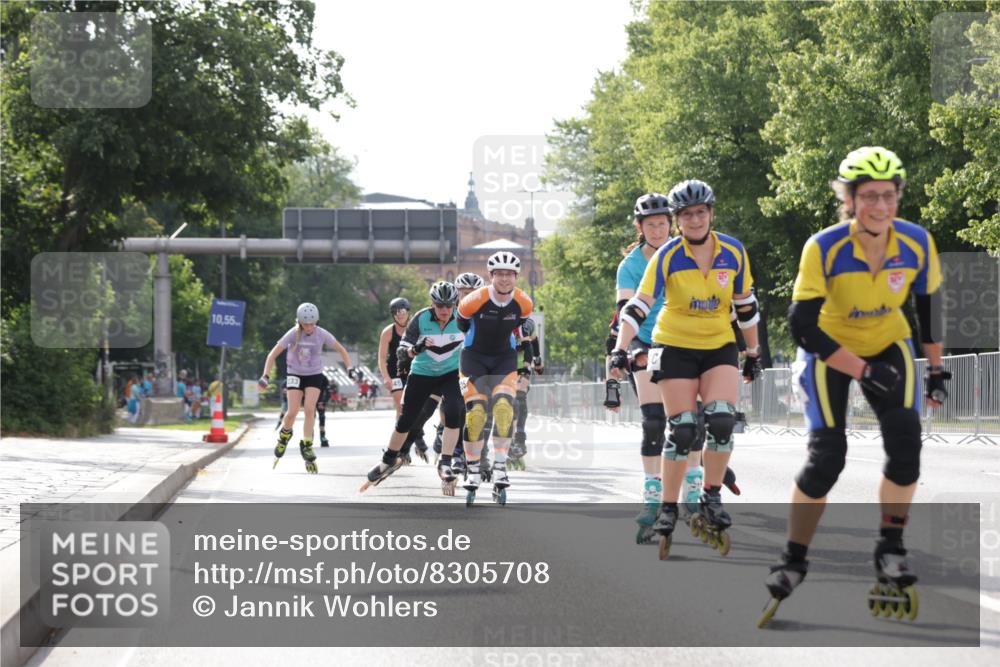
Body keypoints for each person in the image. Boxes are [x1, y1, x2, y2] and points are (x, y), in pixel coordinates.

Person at [759, 147, 947, 626]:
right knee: (828, 457)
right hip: (829, 349)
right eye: (868, 197)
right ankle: (794, 558)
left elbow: (929, 310)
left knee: (906, 444)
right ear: (848, 199)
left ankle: (890, 547)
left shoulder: (917, 242)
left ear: (898, 197)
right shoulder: (823, 247)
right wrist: (860, 371)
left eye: (888, 196)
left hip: (889, 343)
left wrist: (936, 370)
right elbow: (803, 327)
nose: (879, 206)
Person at [610, 179, 761, 557]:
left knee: (723, 420)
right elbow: (637, 306)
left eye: (700, 212)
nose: (694, 220)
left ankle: (710, 496)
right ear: (679, 221)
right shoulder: (667, 257)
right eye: (686, 215)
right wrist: (620, 348)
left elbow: (745, 305)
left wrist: (754, 352)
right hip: (673, 345)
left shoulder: (733, 251)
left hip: (718, 345)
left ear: (710, 213)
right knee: (682, 428)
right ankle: (666, 506)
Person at [605, 193, 674, 542]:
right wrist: (627, 351)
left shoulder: (683, 253)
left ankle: (696, 480)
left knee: (690, 421)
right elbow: (624, 312)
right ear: (640, 227)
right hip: (644, 342)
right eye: (651, 225)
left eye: (663, 224)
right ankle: (652, 496)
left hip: (682, 340)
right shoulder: (630, 265)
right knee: (654, 420)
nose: (658, 230)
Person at [362, 282, 465, 494]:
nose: (444, 310)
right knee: (406, 419)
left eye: (449, 305)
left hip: (449, 374)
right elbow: (401, 350)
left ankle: (446, 462)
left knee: (455, 410)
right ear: (432, 304)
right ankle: (388, 459)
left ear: (455, 304)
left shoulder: (464, 319)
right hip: (422, 373)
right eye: (439, 305)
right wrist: (416, 349)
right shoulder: (421, 318)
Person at [457, 252, 534, 506]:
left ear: (516, 276)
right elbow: (462, 325)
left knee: (503, 408)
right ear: (491, 276)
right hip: (474, 360)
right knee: (476, 414)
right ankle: (473, 469)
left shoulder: (524, 303)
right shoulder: (473, 300)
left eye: (509, 274)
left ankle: (500, 466)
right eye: (499, 274)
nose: (504, 279)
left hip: (504, 359)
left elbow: (520, 328)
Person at [259, 302, 352, 474]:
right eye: (306, 323)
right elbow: (272, 354)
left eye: (312, 323)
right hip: (294, 374)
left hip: (314, 374)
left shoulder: (321, 334)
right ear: (300, 322)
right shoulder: (293, 334)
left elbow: (341, 350)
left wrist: (350, 368)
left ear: (316, 321)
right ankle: (285, 435)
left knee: (310, 409)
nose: (309, 327)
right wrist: (266, 375)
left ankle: (307, 444)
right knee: (292, 411)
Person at [509, 315, 543, 471]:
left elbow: (532, 343)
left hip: (522, 363)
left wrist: (536, 361)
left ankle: (520, 439)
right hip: (504, 363)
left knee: (520, 398)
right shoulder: (501, 323)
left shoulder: (528, 324)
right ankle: (508, 440)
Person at [379, 298, 411, 417]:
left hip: (414, 371)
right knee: (401, 406)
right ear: (393, 315)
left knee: (416, 405)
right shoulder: (388, 332)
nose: (401, 315)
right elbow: (382, 358)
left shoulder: (415, 328)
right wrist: (386, 377)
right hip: (395, 373)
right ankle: (400, 434)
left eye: (403, 312)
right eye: (397, 313)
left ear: (408, 312)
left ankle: (416, 433)